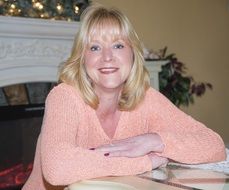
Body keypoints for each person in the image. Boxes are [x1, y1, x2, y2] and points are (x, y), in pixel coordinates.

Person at [22, 4, 226, 190]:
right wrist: (144, 161)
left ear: (133, 54)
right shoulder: (64, 97)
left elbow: (214, 146)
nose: (107, 57)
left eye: (118, 45)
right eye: (95, 47)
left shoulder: (146, 98)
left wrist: (155, 141)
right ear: (83, 58)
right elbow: (57, 168)